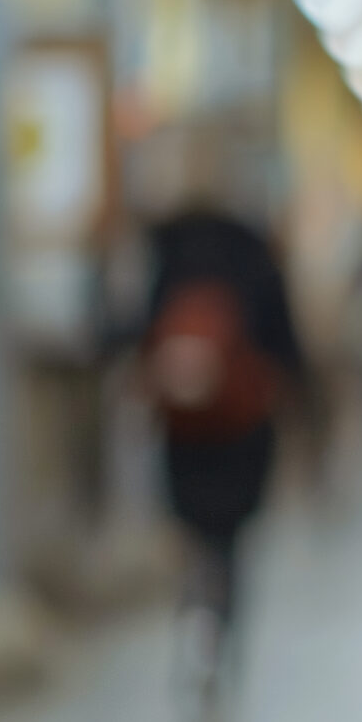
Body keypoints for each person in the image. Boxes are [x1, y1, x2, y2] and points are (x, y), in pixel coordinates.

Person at [143, 207, 303, 694]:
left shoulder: (169, 256)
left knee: (193, 531)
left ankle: (195, 606)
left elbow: (139, 331)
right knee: (231, 541)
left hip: (183, 430)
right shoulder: (257, 257)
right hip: (244, 429)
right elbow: (288, 347)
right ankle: (221, 634)